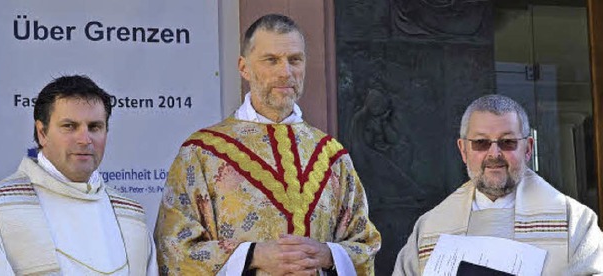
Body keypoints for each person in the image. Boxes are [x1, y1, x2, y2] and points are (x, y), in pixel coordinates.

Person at [154, 14, 381, 275]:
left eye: (295, 60)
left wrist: (329, 254)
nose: (285, 72)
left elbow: (365, 243)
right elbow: (173, 248)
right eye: (271, 60)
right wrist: (252, 255)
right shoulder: (201, 153)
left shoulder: (331, 155)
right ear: (243, 67)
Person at [0, 75, 158, 275]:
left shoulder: (131, 216)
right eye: (69, 126)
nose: (84, 139)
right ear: (42, 133)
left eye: (94, 127)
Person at [393, 94, 603, 275]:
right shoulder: (430, 228)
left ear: (528, 148)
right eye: (481, 143)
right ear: (463, 150)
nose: (494, 154)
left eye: (507, 142)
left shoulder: (574, 223)